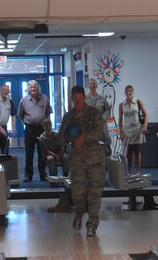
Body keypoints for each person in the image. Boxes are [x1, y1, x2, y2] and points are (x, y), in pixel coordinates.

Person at [59, 85, 109, 237]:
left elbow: (100, 131)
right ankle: (79, 213)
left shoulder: (94, 114)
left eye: (80, 99)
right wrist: (69, 136)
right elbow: (61, 137)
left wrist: (83, 137)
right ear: (72, 99)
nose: (78, 102)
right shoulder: (69, 117)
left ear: (84, 98)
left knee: (94, 192)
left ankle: (92, 224)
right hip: (77, 160)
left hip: (94, 159)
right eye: (75, 99)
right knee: (78, 194)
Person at [18, 80, 53, 182]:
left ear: (38, 88)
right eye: (31, 88)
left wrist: (47, 126)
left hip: (42, 129)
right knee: (29, 153)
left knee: (42, 153)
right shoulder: (24, 100)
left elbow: (48, 112)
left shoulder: (45, 98)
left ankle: (43, 174)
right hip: (29, 129)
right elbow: (20, 114)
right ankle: (28, 175)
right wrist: (26, 123)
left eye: (35, 88)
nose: (33, 89)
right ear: (29, 89)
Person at [119, 85, 148, 175]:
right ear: (124, 92)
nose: (129, 92)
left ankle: (138, 171)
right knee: (128, 153)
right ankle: (129, 172)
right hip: (127, 131)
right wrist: (121, 132)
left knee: (137, 151)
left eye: (130, 90)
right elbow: (120, 119)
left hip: (137, 129)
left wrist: (145, 126)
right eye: (127, 91)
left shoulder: (138, 102)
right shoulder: (121, 105)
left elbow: (145, 114)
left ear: (133, 92)